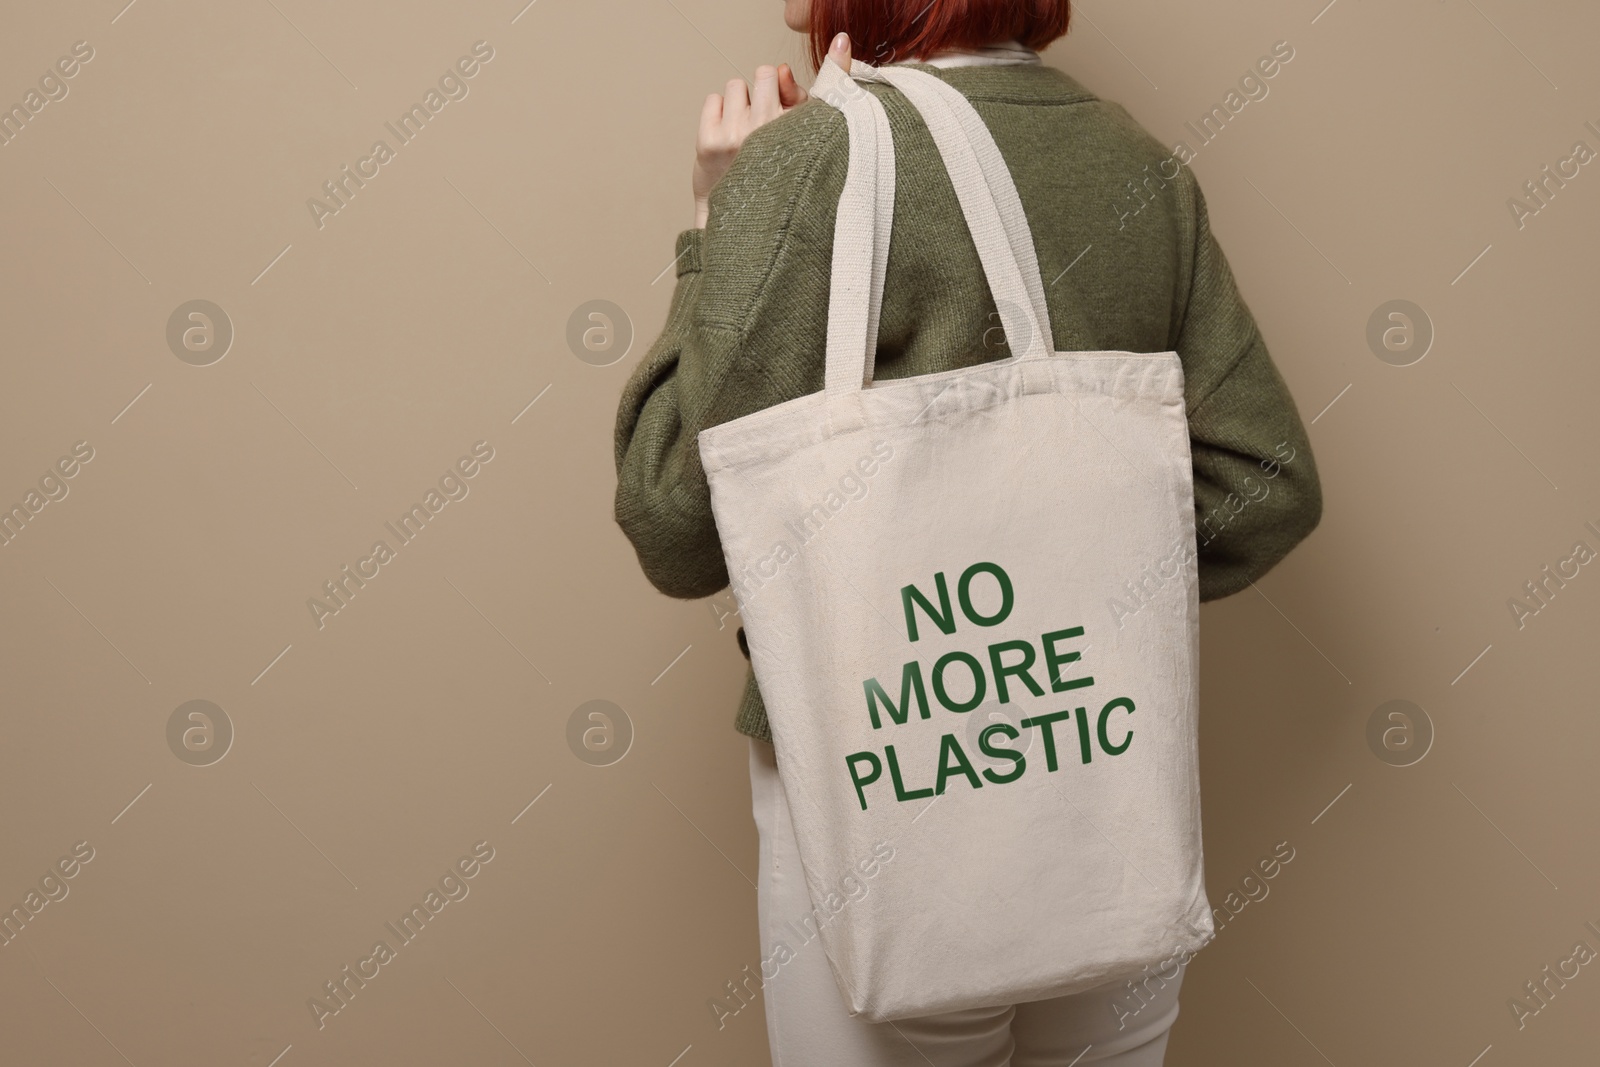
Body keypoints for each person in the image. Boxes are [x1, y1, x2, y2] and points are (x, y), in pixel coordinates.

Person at [613, 1, 1323, 1063]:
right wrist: (1081, 590)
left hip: (878, 796)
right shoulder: (1140, 163)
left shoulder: (808, 163)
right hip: (1102, 787)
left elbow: (672, 518)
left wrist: (715, 221)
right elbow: (1263, 484)